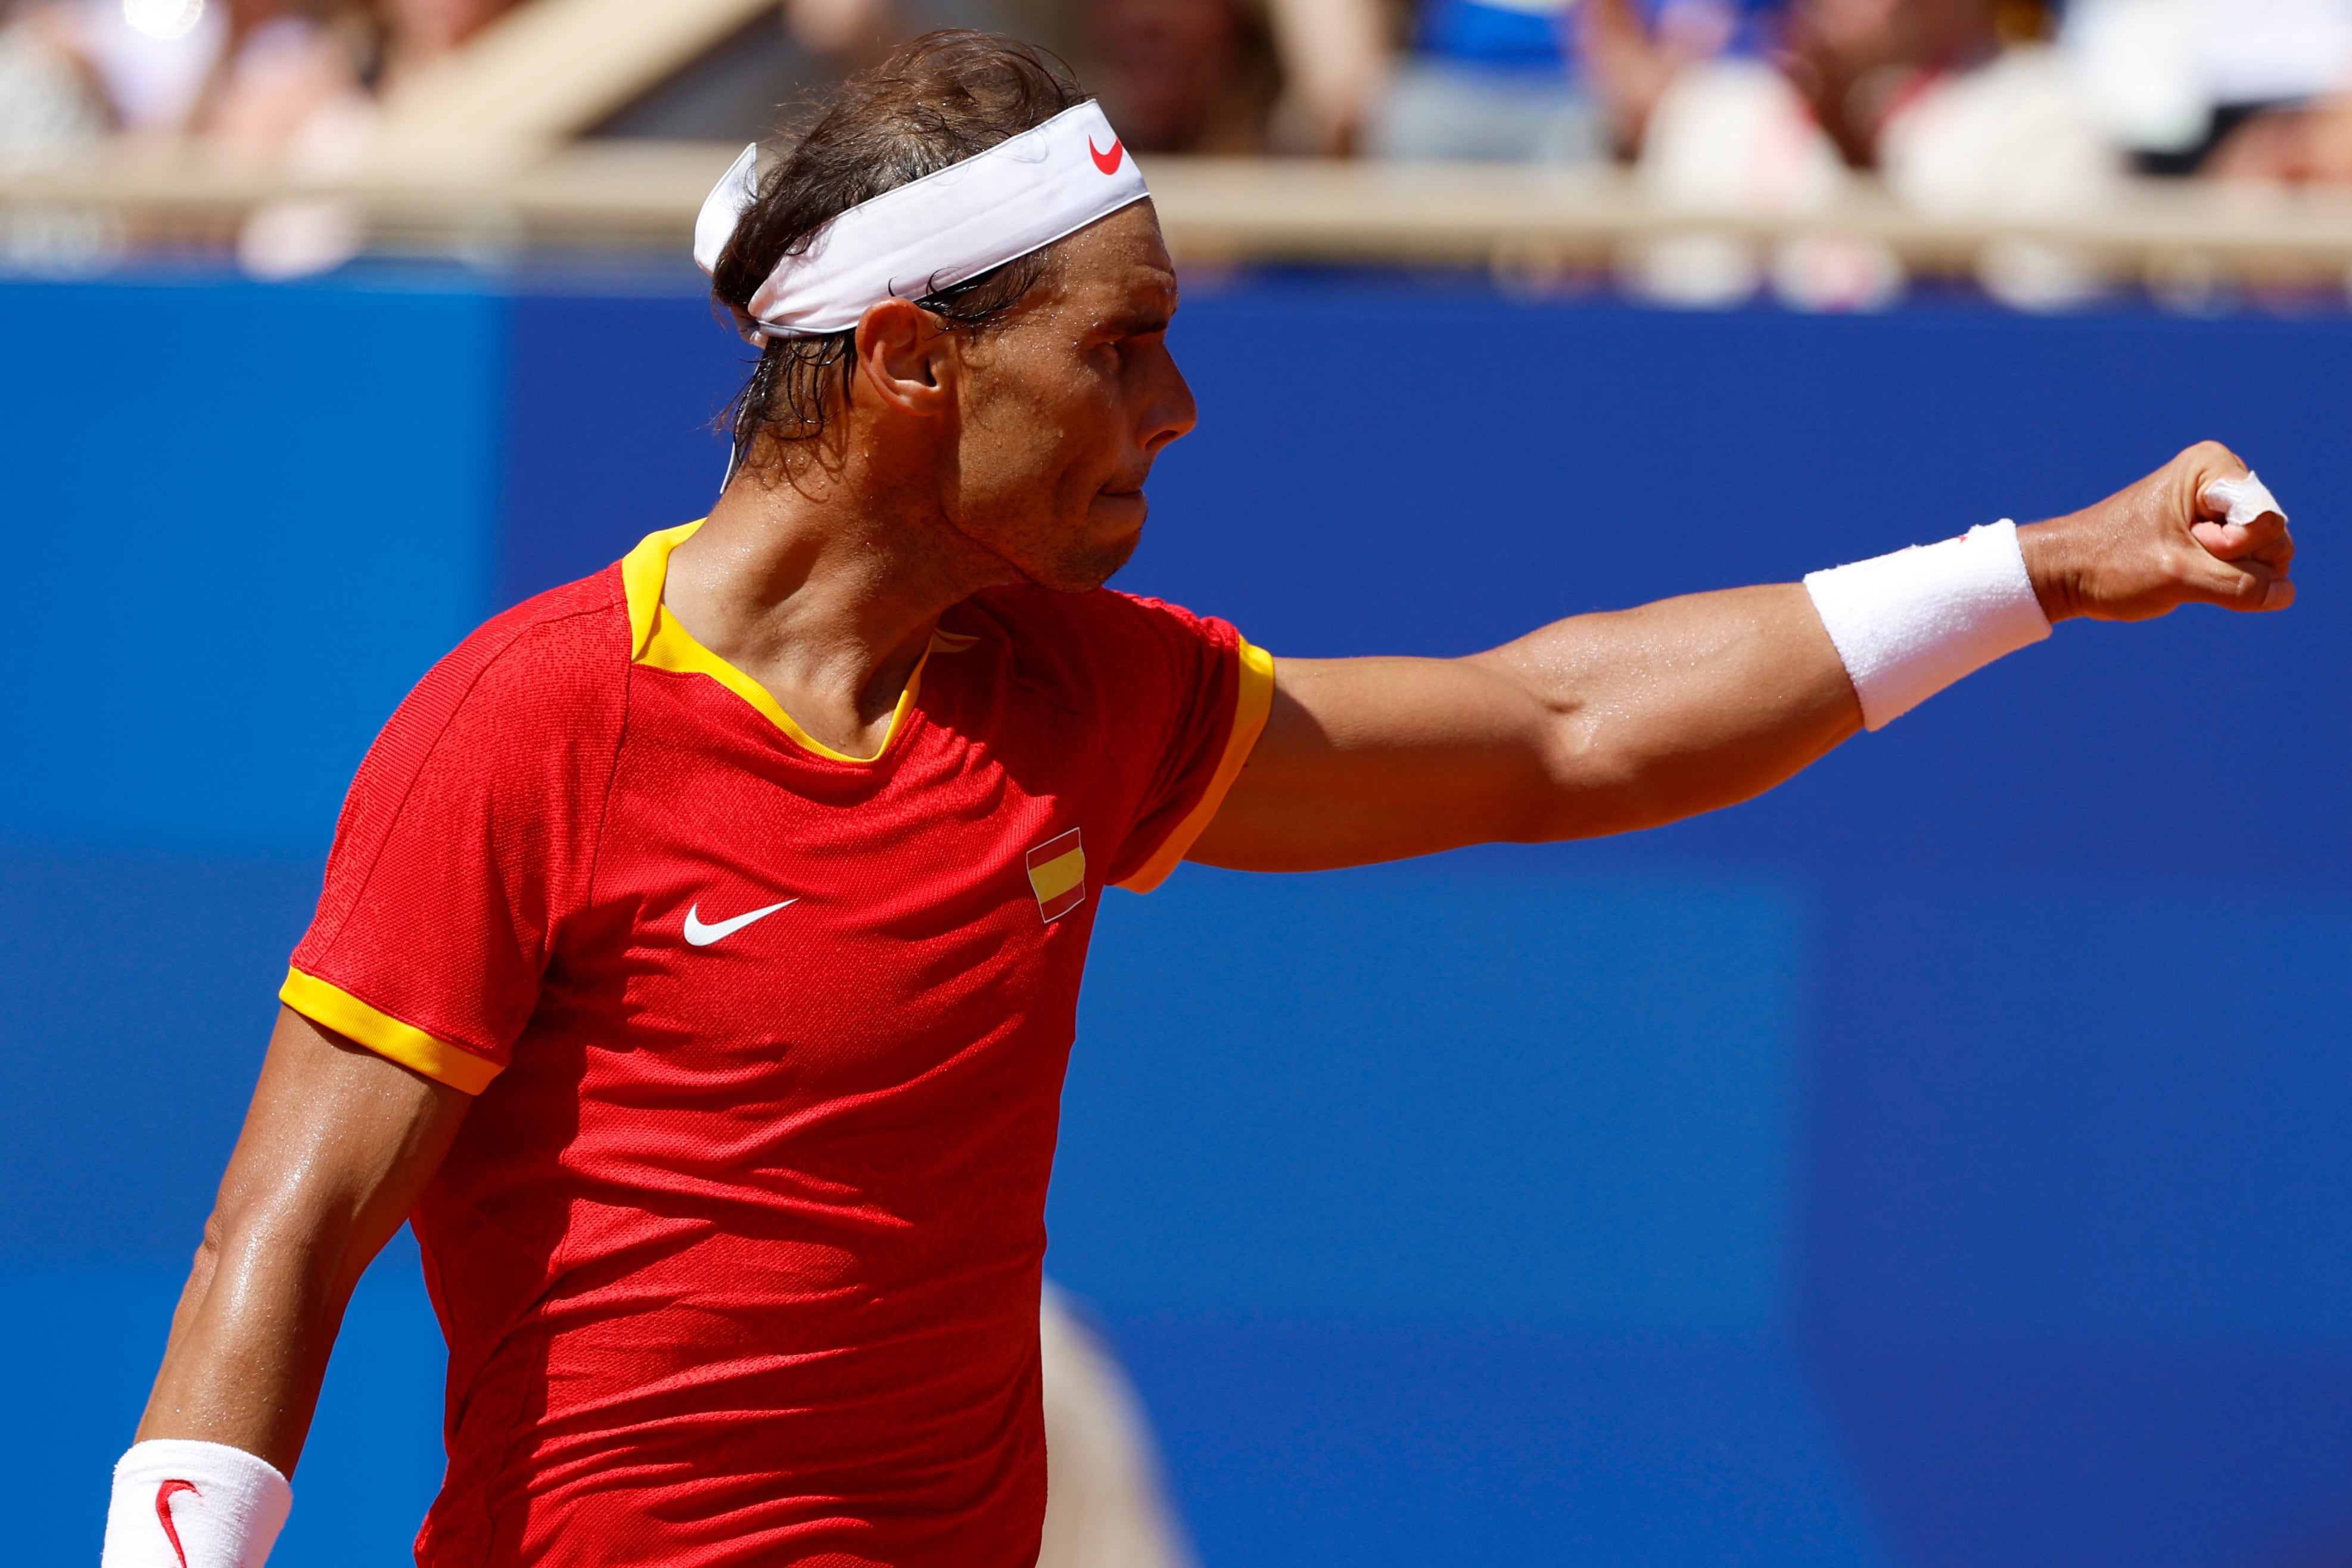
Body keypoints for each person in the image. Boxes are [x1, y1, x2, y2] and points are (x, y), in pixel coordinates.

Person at [101, 29, 2297, 1568]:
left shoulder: (1074, 694)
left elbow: (1554, 730)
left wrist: (2034, 568)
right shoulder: (531, 723)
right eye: (1119, 343)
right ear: (909, 365)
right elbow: (280, 1239)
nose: (1176, 401)